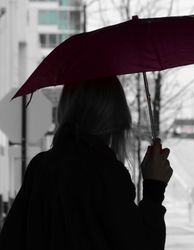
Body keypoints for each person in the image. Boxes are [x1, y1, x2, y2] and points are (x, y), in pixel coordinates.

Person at [0, 76, 173, 250]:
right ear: (115, 116)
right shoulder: (107, 175)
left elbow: (10, 240)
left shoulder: (40, 167)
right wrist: (154, 189)